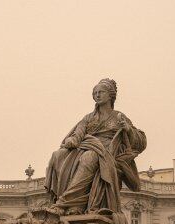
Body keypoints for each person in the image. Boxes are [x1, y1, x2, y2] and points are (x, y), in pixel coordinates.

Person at [45, 79, 146, 214]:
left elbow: (141, 142)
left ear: (110, 95)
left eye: (101, 92)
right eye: (95, 93)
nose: (97, 95)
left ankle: (65, 203)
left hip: (108, 152)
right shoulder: (88, 118)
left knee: (89, 157)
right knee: (58, 155)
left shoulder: (119, 117)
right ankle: (72, 204)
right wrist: (72, 139)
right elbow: (79, 133)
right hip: (86, 145)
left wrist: (128, 129)